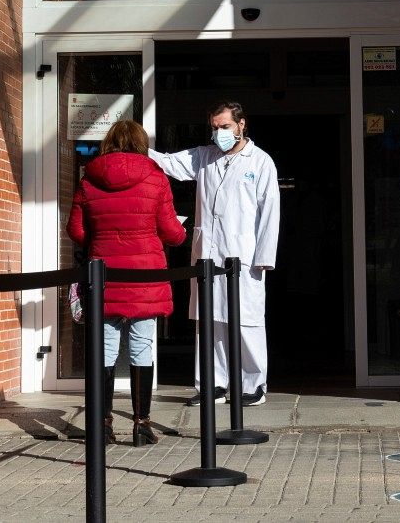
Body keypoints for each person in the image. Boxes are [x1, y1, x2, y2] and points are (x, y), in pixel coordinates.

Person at [150, 100, 280, 407]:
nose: (218, 132)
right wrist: (136, 150)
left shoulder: (260, 162)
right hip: (208, 253)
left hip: (243, 257)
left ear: (241, 125)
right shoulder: (203, 157)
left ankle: (254, 384)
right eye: (214, 127)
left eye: (224, 126)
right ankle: (213, 385)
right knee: (208, 322)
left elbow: (269, 213)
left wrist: (264, 257)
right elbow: (168, 163)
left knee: (246, 322)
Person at [67, 118, 186, 446]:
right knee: (141, 346)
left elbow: (76, 230)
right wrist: (181, 232)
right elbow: (171, 233)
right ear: (140, 143)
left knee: (104, 348)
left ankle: (102, 425)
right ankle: (141, 424)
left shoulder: (88, 179)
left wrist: (102, 236)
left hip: (104, 273)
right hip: (144, 275)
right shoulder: (155, 176)